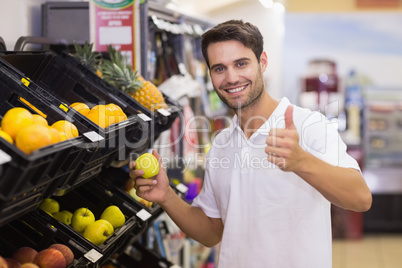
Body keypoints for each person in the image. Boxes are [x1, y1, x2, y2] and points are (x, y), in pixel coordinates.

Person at [129, 20, 372, 268]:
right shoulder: (222, 143)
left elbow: (360, 198)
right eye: (219, 68)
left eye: (241, 63)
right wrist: (167, 196)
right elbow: (212, 231)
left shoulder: (308, 125)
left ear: (262, 62)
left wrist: (302, 161)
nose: (231, 77)